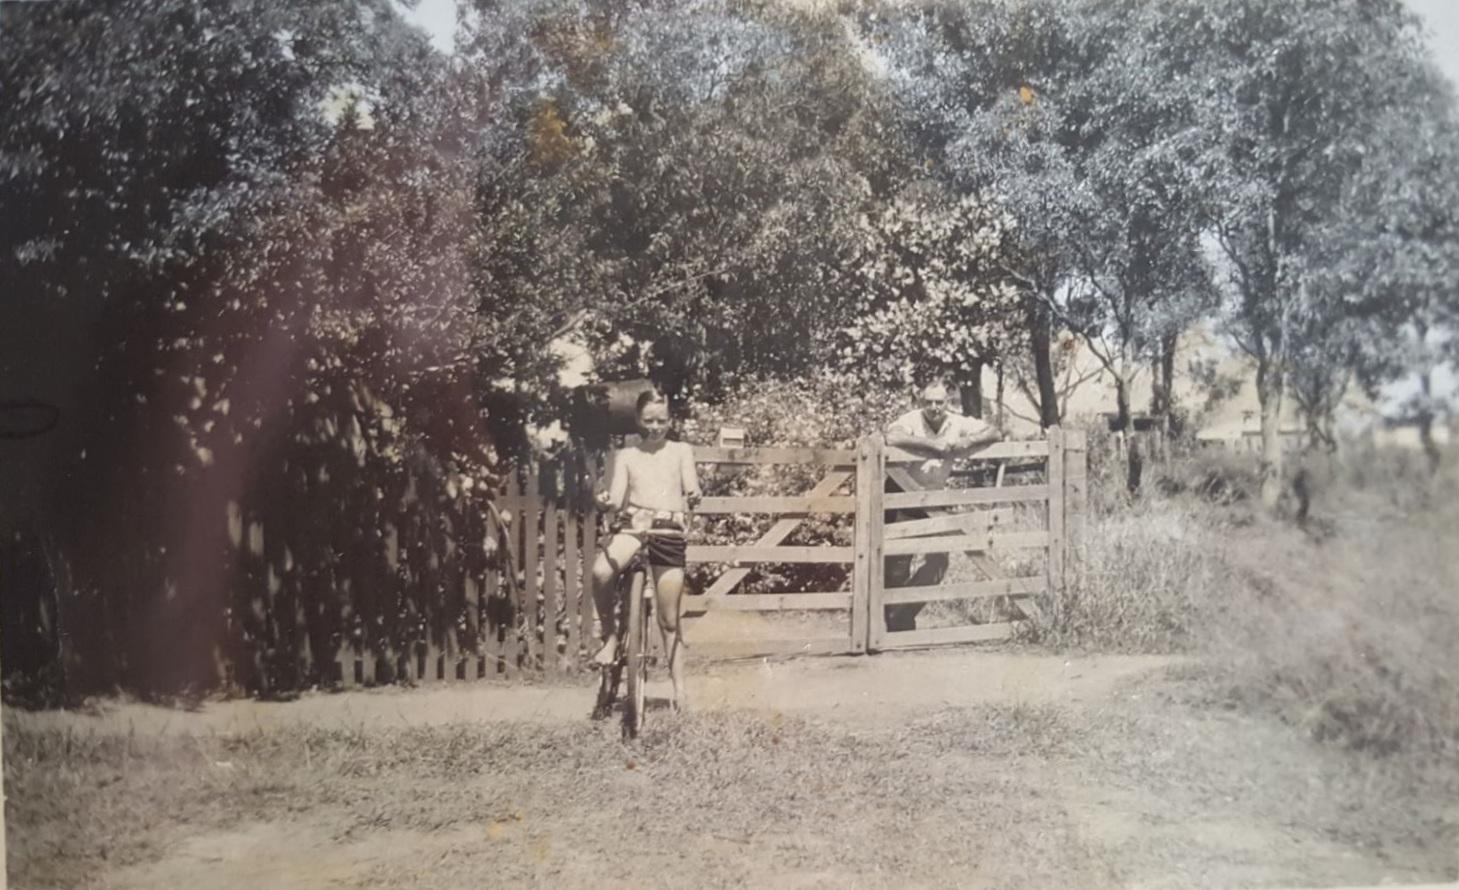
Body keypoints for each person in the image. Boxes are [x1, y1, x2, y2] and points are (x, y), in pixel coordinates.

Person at [590, 389, 701, 711]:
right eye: (649, 420)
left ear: (671, 419)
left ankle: (680, 691)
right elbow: (615, 495)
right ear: (638, 419)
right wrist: (605, 501)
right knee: (601, 571)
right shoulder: (627, 455)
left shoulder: (681, 450)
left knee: (669, 620)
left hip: (667, 530)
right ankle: (611, 638)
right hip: (634, 528)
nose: (655, 427)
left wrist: (693, 495)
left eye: (662, 420)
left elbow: (691, 485)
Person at [882, 380, 1003, 632]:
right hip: (901, 496)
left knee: (939, 561)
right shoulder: (911, 420)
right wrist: (933, 446)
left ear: (948, 402)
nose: (934, 407)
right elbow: (892, 436)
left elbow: (994, 432)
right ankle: (898, 628)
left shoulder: (957, 422)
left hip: (934, 500)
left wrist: (967, 443)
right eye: (928, 402)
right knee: (896, 567)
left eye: (939, 402)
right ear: (920, 402)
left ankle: (899, 614)